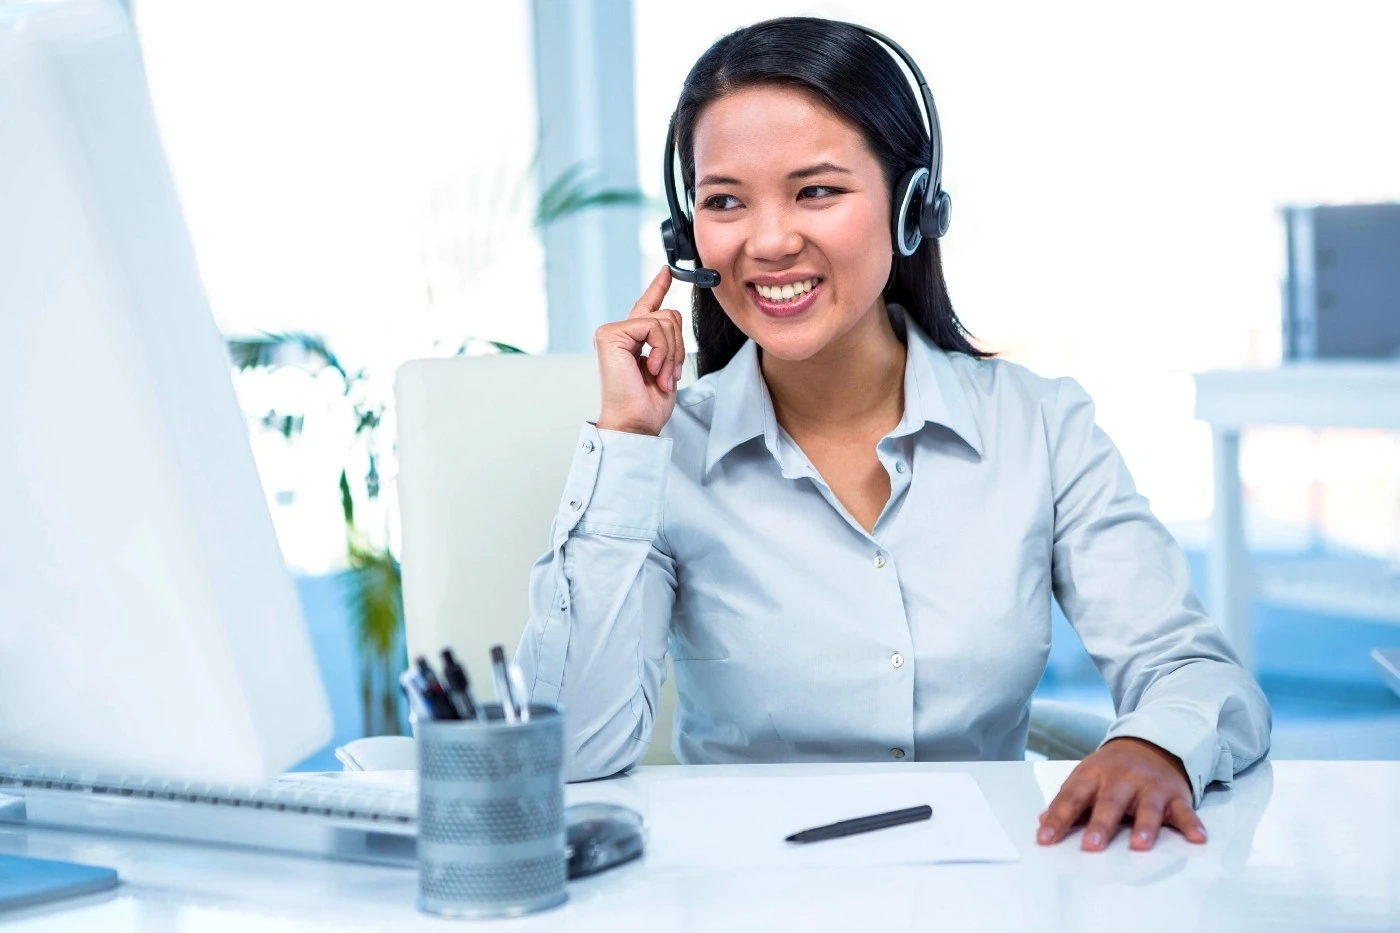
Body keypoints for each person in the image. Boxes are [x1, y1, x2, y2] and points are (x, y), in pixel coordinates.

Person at [516, 16, 1271, 854]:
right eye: (725, 201)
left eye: (816, 191)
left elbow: (1197, 671)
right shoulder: (661, 459)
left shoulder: (1039, 426)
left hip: (987, 891)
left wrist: (1153, 743)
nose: (767, 241)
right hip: (750, 896)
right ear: (688, 235)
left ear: (915, 206)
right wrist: (625, 443)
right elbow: (571, 756)